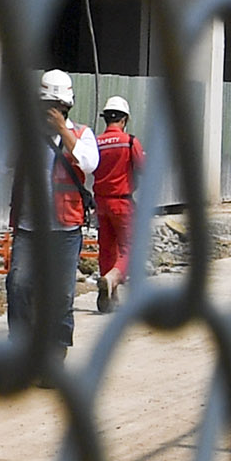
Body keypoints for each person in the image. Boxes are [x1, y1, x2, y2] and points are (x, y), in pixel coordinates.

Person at [5, 70, 94, 356]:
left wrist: (63, 131)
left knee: (62, 295)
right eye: (47, 108)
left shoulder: (82, 134)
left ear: (67, 108)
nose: (51, 114)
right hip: (29, 229)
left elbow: (89, 163)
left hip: (65, 230)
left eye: (58, 109)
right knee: (18, 286)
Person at [90, 96, 144, 310]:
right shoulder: (130, 141)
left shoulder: (95, 142)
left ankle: (110, 299)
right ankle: (112, 280)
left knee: (107, 249)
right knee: (130, 246)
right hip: (122, 203)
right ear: (124, 120)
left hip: (100, 204)